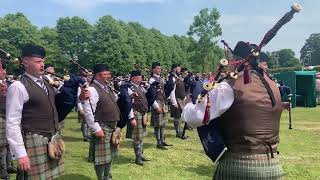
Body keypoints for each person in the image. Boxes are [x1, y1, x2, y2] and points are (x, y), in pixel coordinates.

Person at [183, 41, 287, 179]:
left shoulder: (230, 86)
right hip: (273, 167)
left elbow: (196, 117)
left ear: (238, 61)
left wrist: (188, 104)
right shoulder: (273, 85)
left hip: (239, 166)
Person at [6, 44, 64, 179]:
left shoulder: (46, 82)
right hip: (33, 141)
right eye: (38, 62)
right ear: (25, 62)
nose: (42, 65)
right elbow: (12, 123)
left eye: (43, 61)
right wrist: (20, 154)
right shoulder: (18, 86)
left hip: (52, 139)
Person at [81, 64, 120, 180]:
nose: (108, 76)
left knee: (109, 156)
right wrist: (96, 128)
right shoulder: (92, 89)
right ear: (97, 75)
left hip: (111, 127)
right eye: (105, 74)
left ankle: (107, 176)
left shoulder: (106, 87)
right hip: (102, 127)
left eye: (109, 74)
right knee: (101, 158)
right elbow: (88, 110)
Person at [126, 70, 150, 166]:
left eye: (141, 77)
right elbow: (128, 104)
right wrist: (131, 117)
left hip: (142, 112)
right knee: (137, 137)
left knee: (141, 136)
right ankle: (137, 157)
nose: (141, 79)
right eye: (139, 77)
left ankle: (141, 154)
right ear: (133, 78)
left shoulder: (139, 87)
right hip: (135, 113)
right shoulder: (129, 88)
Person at [148, 62, 171, 150]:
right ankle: (158, 143)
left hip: (162, 101)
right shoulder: (151, 80)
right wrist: (155, 106)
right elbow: (151, 94)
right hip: (156, 102)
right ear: (153, 69)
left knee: (163, 123)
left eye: (160, 68)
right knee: (157, 124)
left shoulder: (160, 79)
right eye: (157, 68)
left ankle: (162, 140)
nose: (159, 70)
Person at [168, 64, 188, 139]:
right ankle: (178, 132)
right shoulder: (172, 78)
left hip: (181, 99)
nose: (180, 69)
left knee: (180, 116)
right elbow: (172, 91)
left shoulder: (178, 77)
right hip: (176, 99)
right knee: (177, 116)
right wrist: (174, 102)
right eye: (178, 68)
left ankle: (180, 132)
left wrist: (184, 97)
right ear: (174, 69)